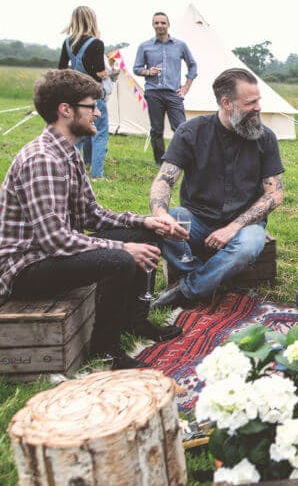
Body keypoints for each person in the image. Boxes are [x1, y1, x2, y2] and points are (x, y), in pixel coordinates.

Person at [0, 70, 182, 369]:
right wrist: (122, 250)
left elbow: (91, 214)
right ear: (66, 110)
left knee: (142, 237)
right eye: (91, 106)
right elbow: (55, 240)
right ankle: (105, 350)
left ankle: (133, 322)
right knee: (119, 259)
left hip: (48, 254)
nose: (98, 112)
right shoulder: (43, 158)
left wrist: (143, 221)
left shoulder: (67, 153)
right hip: (25, 268)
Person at [149, 68, 284, 311]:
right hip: (196, 220)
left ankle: (187, 290)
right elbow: (164, 180)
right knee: (165, 221)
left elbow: (275, 194)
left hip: (244, 226)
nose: (258, 107)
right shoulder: (191, 131)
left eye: (258, 100)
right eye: (250, 102)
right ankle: (207, 280)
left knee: (250, 244)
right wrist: (160, 214)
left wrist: (233, 227)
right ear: (226, 103)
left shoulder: (266, 137)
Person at [133, 11, 197, 164]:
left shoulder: (180, 45)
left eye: (163, 23)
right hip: (153, 92)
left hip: (174, 93)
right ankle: (160, 161)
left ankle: (184, 158)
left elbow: (193, 66)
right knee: (156, 129)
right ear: (153, 25)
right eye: (157, 23)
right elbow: (136, 68)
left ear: (168, 25)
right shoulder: (145, 46)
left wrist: (186, 87)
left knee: (181, 127)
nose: (160, 25)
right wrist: (149, 71)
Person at [58, 6, 110, 179]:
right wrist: (108, 73)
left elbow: (61, 69)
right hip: (94, 96)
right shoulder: (96, 43)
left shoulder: (68, 42)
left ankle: (71, 171)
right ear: (92, 20)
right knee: (99, 133)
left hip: (75, 95)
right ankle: (97, 174)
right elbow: (100, 72)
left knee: (77, 133)